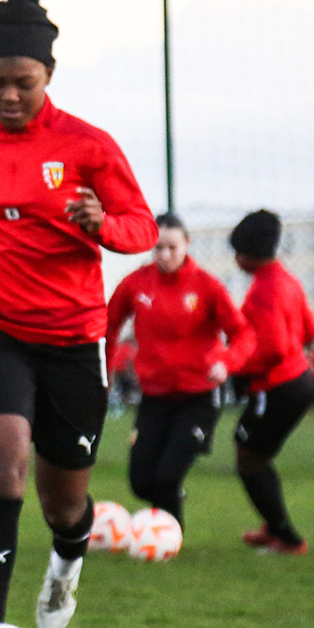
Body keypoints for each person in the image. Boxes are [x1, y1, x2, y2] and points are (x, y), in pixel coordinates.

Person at [0, 0, 157, 628]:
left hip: (72, 341)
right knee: (2, 458)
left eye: (24, 83)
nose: (9, 96)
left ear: (49, 75)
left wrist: (103, 223)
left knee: (62, 504)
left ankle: (68, 559)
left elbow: (141, 227)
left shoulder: (89, 147)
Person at [105, 214, 254, 530]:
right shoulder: (136, 284)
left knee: (167, 475)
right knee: (141, 481)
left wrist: (226, 362)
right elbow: (108, 326)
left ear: (187, 244)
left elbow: (244, 334)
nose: (165, 255)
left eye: (172, 247)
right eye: (158, 248)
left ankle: (169, 538)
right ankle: (169, 509)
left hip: (198, 396)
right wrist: (104, 372)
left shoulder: (207, 287)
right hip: (155, 398)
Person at [229, 210, 314, 555]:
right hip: (299, 380)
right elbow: (310, 331)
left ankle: (288, 538)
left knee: (249, 458)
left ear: (248, 253)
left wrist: (236, 365)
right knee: (257, 455)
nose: (235, 259)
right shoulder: (288, 281)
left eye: (237, 252)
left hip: (277, 387)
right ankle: (273, 525)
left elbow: (272, 348)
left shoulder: (263, 291)